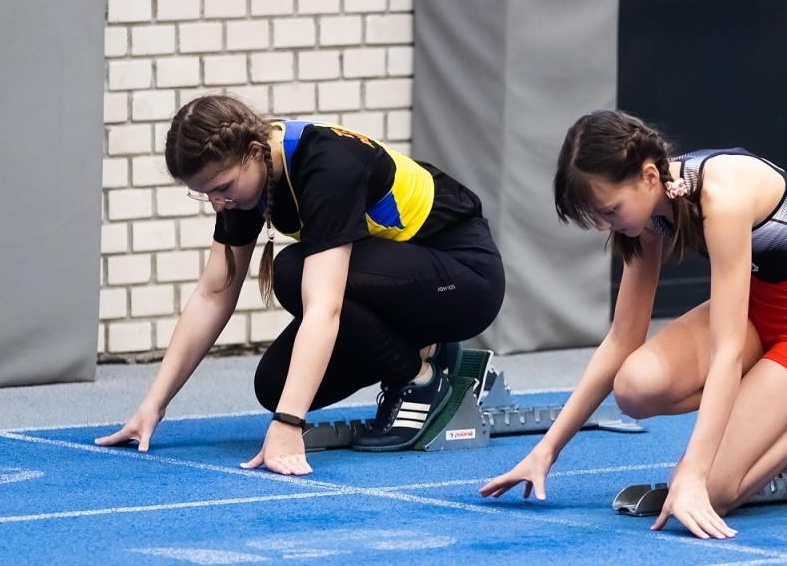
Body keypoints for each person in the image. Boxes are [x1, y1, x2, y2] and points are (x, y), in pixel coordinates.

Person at [480, 110, 787, 538]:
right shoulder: (647, 213)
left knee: (712, 491)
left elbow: (727, 352)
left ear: (650, 176)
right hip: (758, 309)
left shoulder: (723, 198)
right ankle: (769, 406)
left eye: (610, 210)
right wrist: (546, 450)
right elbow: (622, 340)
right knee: (634, 386)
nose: (605, 225)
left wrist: (693, 473)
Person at [96, 94, 505, 474]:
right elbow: (214, 293)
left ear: (255, 152)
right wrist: (154, 405)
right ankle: (428, 347)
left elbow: (325, 305)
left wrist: (289, 424)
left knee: (293, 271)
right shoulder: (246, 180)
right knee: (274, 385)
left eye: (222, 188)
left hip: (466, 280)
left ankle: (420, 381)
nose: (219, 203)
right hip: (409, 283)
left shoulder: (327, 167)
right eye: (205, 195)